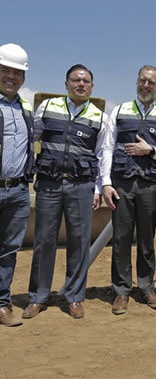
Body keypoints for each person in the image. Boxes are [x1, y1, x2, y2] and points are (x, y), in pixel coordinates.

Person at [22, 65, 106, 320]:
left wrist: (99, 188)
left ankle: (75, 297)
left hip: (81, 186)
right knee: (43, 241)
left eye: (86, 81)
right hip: (49, 184)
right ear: (66, 83)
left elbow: (102, 154)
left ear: (92, 86)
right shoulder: (48, 108)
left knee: (79, 243)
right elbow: (31, 138)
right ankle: (38, 297)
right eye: (76, 80)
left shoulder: (98, 116)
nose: (81, 84)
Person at [101, 65, 156, 315]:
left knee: (147, 238)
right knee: (122, 238)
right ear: (137, 82)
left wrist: (151, 151)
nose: (146, 86)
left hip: (150, 185)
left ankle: (147, 287)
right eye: (143, 81)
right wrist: (105, 182)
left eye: (152, 83)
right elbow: (106, 147)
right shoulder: (120, 111)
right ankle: (121, 292)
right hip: (122, 183)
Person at [0, 43, 33, 327]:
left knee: (8, 251)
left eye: (17, 72)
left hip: (18, 191)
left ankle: (1, 304)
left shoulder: (25, 109)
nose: (11, 76)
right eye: (5, 70)